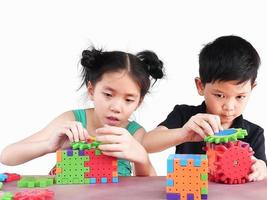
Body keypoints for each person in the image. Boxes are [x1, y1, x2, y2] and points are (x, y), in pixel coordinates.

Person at [0, 46, 165, 176]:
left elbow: (148, 187)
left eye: (129, 100)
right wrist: (49, 146)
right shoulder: (72, 119)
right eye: (108, 94)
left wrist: (142, 159)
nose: (116, 107)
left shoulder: (135, 133)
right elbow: (7, 156)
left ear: (138, 102)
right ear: (92, 91)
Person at [143, 35, 267, 181]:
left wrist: (261, 168)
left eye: (240, 97)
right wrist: (184, 134)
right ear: (200, 86)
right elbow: (145, 144)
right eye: (219, 95)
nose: (229, 107)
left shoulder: (254, 133)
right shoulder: (184, 115)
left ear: (252, 88)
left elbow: (260, 174)